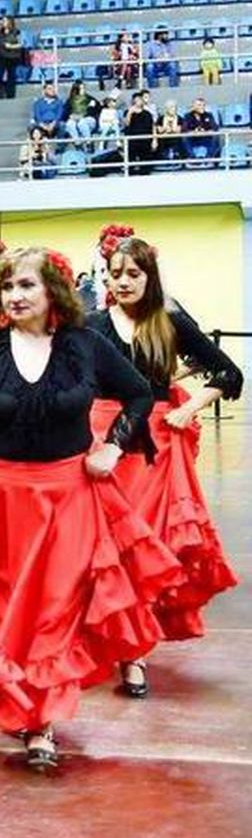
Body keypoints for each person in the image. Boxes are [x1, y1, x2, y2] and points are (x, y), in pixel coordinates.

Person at [0, 248, 179, 770]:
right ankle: (28, 715)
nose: (15, 296)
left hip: (68, 496)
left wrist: (113, 446)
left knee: (50, 613)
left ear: (53, 291)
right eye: (8, 287)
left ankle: (40, 722)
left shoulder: (84, 345)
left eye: (26, 285)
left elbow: (140, 395)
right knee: (9, 614)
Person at [84, 234, 241, 694]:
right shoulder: (92, 324)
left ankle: (133, 655)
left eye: (134, 273)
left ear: (149, 276)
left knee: (141, 553)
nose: (124, 281)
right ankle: (103, 640)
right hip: (102, 442)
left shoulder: (167, 319)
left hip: (152, 451)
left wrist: (187, 409)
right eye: (116, 273)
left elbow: (229, 374)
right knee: (100, 549)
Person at [0, 16, 25, 99]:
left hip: (12, 58)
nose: (2, 22)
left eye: (4, 21)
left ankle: (10, 96)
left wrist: (11, 46)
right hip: (1, 58)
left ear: (10, 22)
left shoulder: (17, 32)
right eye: (2, 21)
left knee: (11, 78)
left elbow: (21, 44)